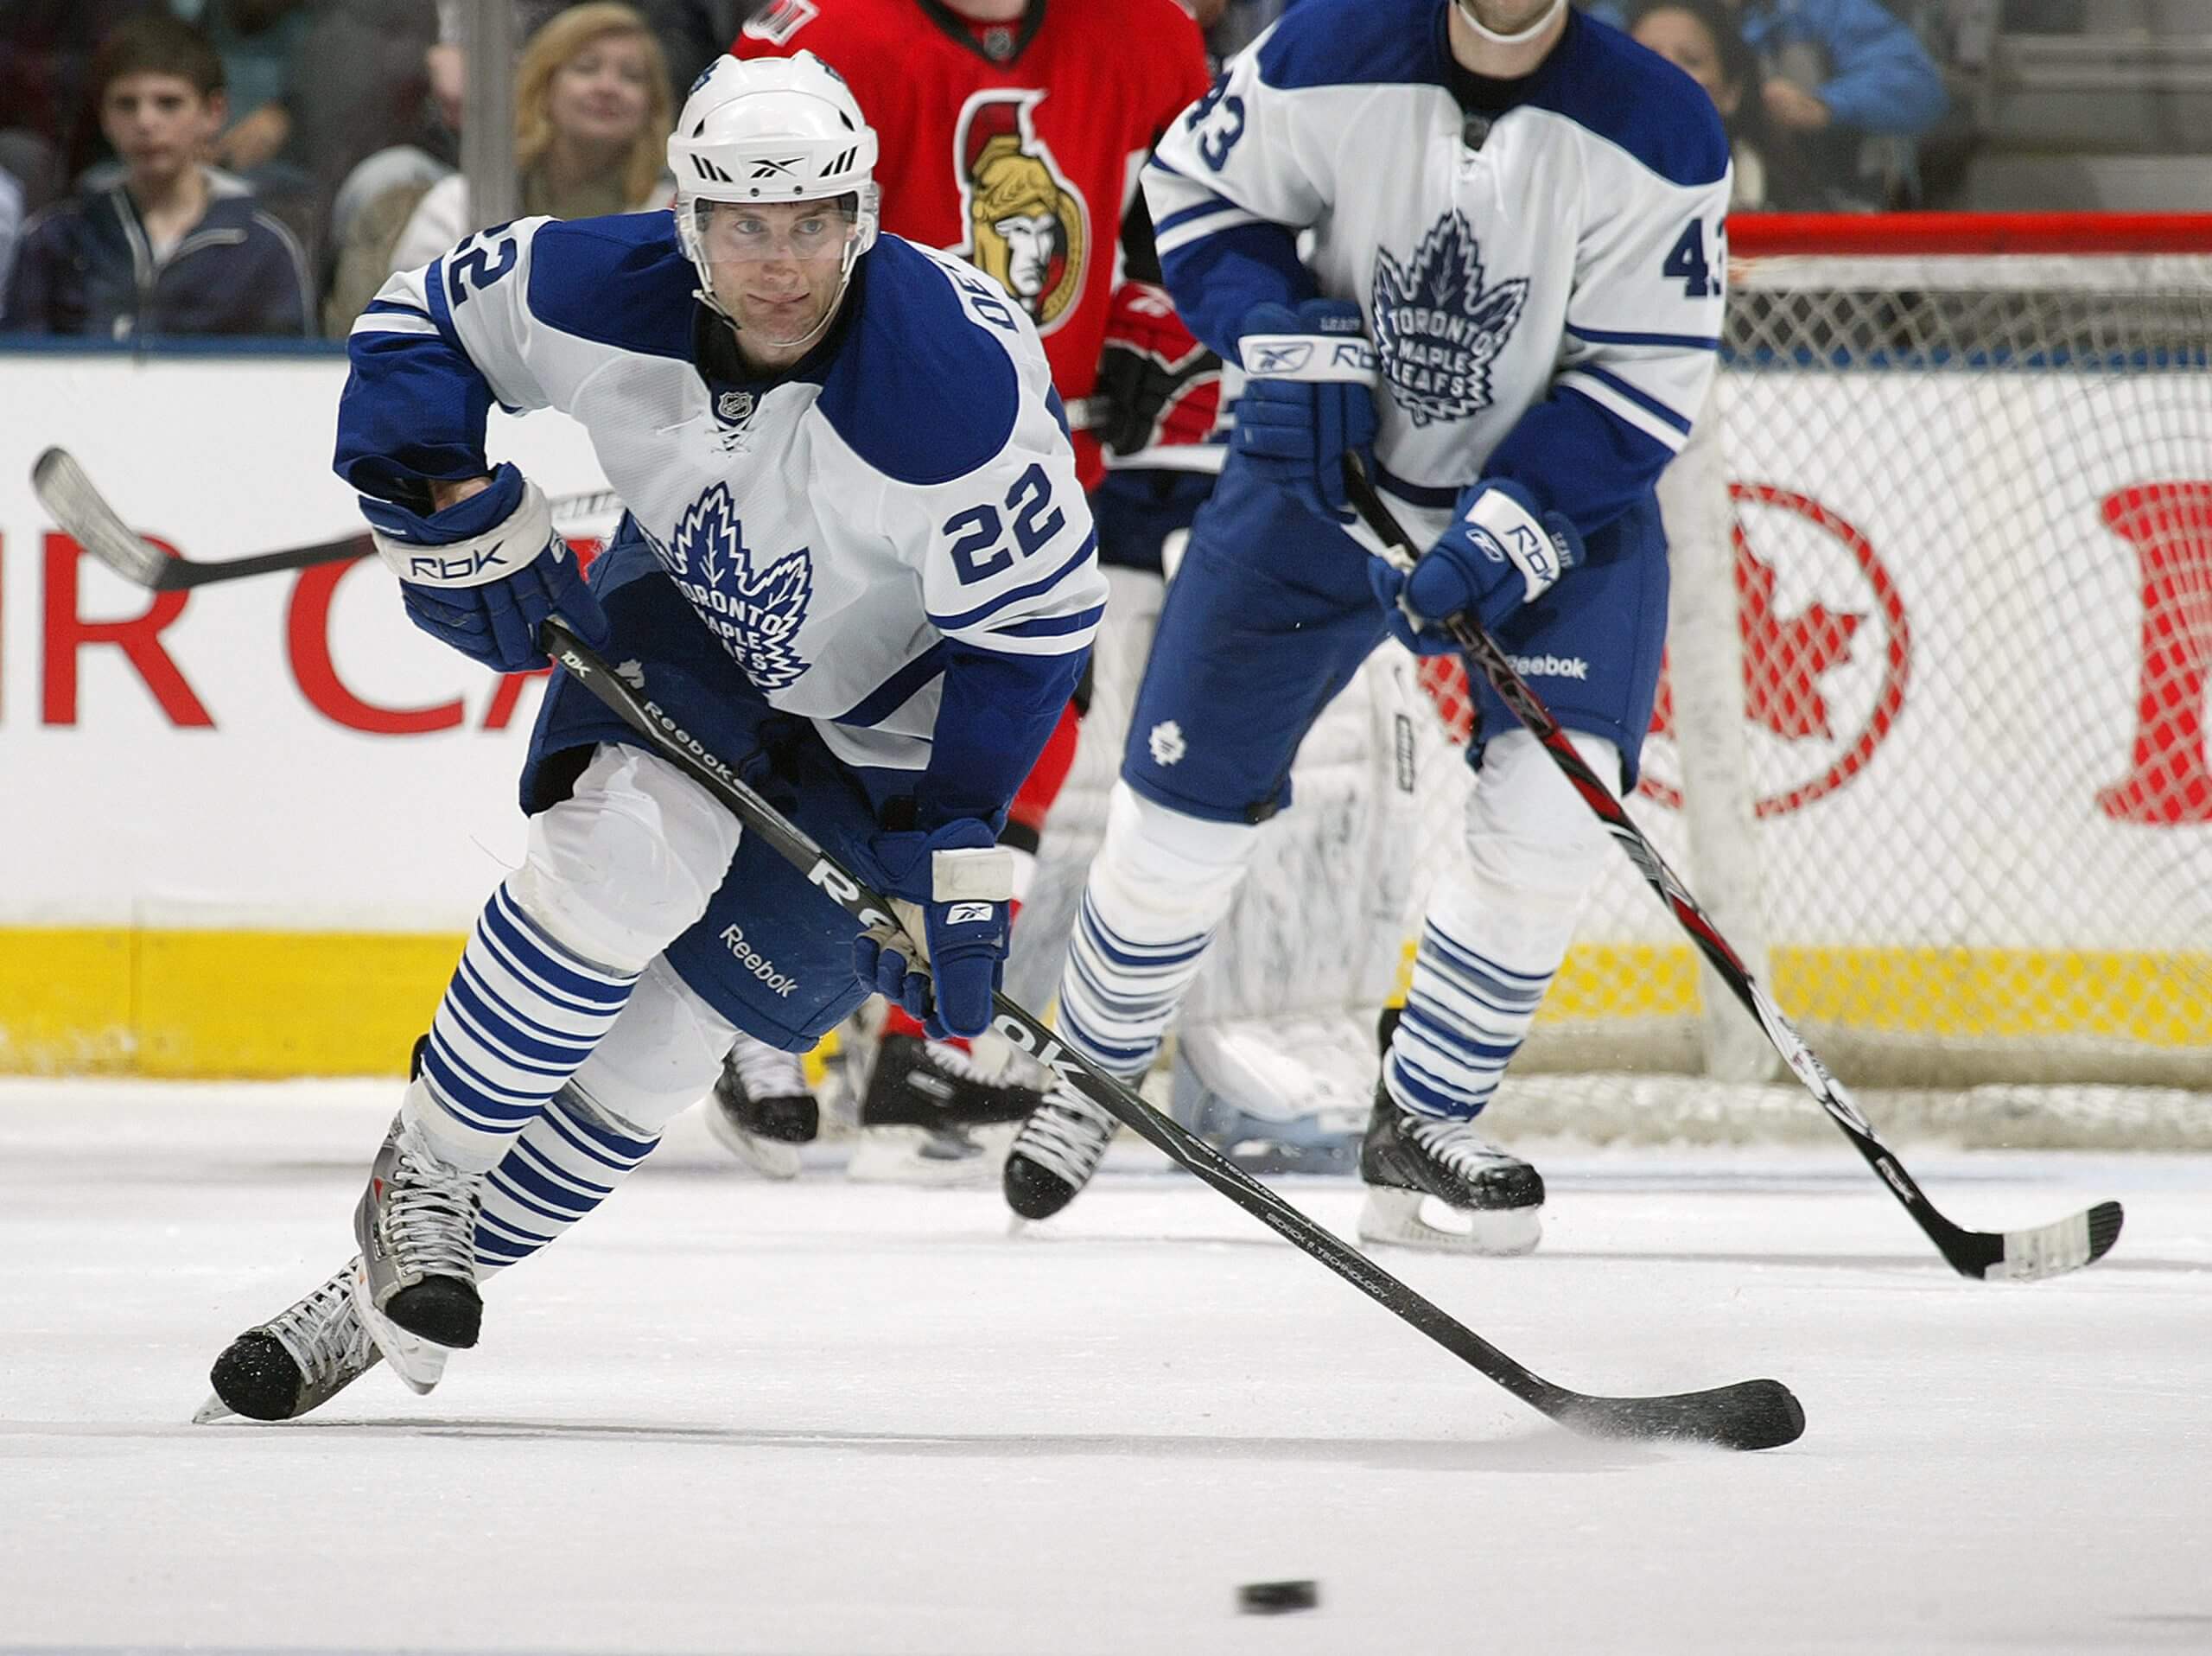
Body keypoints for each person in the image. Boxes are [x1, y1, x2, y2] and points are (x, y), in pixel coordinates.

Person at [198, 49, 1103, 1421]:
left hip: (905, 723)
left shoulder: (951, 400)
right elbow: (413, 324)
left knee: (672, 1048)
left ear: (862, 216)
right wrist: (447, 496)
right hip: (696, 622)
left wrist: (961, 848)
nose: (780, 264)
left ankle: (360, 1308)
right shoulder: (596, 282)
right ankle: (426, 1183)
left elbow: (1031, 644)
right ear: (689, 222)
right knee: (627, 867)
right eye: (745, 226)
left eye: (811, 224)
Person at [1001, 0, 1731, 1253]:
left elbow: (1641, 374)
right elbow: (1200, 194)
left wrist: (1517, 522)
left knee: (1557, 810)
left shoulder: (1662, 125)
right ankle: (1094, 1070)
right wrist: (1289, 347)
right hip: (1319, 484)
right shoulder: (1320, 50)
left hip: (1556, 522)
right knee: (1175, 818)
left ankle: (1429, 1117)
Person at [710, 0, 1211, 1184]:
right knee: (811, 712)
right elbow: (721, 225)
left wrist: (1157, 308)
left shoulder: (1146, 31)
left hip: (1042, 450)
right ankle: (760, 1016)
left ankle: (928, 1039)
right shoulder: (819, 36)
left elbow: (1209, 205)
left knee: (1024, 718)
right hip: (841, 453)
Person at [1, 12, 312, 337]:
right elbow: (22, 371)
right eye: (126, 104)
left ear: (213, 112)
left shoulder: (263, 248)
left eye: (168, 103)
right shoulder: (56, 240)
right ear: (103, 116)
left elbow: (284, 377)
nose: (146, 123)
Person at [385, 3, 674, 279]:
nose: (608, 87)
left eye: (632, 76)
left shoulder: (672, 219)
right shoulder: (457, 205)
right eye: (587, 68)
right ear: (543, 87)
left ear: (653, 106)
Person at [1626, 0, 1772, 208]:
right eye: (1646, 58)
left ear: (1732, 92)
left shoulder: (1791, 202)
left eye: (1690, 60)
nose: (1667, 72)